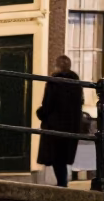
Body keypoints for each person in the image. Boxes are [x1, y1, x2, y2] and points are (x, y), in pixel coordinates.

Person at [35, 55, 83, 188]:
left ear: (57, 66)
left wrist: (40, 113)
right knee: (63, 155)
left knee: (56, 157)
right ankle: (62, 182)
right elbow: (79, 103)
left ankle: (62, 183)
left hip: (55, 124)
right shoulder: (76, 83)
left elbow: (48, 104)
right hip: (71, 125)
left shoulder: (54, 83)